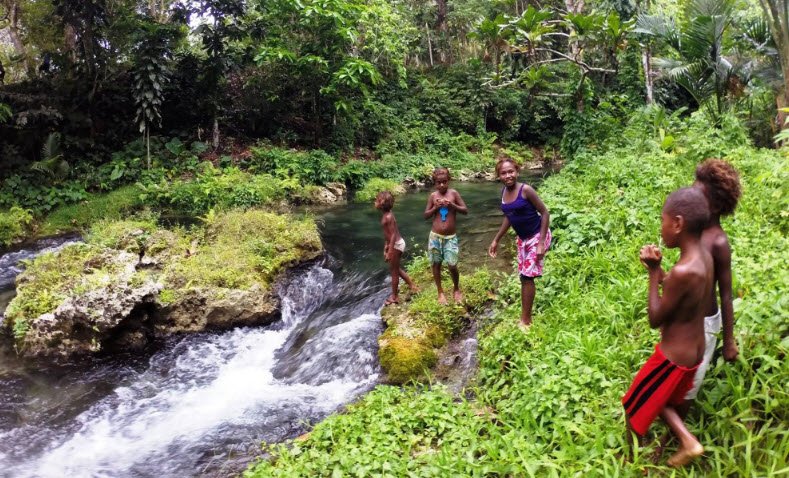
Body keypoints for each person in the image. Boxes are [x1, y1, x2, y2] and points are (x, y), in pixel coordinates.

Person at [622, 187, 714, 467]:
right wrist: (662, 273)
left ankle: (634, 460)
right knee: (661, 399)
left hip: (673, 356)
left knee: (633, 403)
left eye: (662, 221)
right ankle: (679, 441)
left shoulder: (682, 271)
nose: (661, 229)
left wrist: (653, 274)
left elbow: (655, 319)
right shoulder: (704, 258)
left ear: (677, 223)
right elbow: (682, 293)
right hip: (695, 351)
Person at [487, 158, 551, 327]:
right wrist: (496, 239)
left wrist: (541, 243)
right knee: (524, 277)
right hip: (523, 239)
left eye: (511, 171)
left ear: (517, 172)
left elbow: (545, 213)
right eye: (503, 173)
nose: (508, 175)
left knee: (527, 277)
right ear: (498, 176)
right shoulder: (504, 193)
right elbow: (509, 217)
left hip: (537, 236)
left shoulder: (526, 190)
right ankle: (525, 316)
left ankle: (526, 321)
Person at [424, 167, 468, 304]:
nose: (442, 185)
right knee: (436, 264)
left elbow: (465, 210)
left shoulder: (453, 193)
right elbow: (425, 215)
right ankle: (440, 292)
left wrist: (452, 205)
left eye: (444, 182)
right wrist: (435, 208)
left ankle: (456, 289)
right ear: (435, 183)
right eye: (439, 182)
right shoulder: (433, 196)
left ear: (449, 180)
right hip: (435, 236)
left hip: (450, 237)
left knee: (452, 265)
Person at [375, 190, 418, 306]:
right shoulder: (387, 214)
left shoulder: (388, 217)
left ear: (382, 203)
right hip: (394, 244)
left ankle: (395, 296)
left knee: (394, 272)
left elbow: (393, 234)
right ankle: (412, 285)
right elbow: (387, 234)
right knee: (396, 269)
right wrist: (386, 247)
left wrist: (390, 250)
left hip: (396, 244)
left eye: (376, 200)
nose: (375, 202)